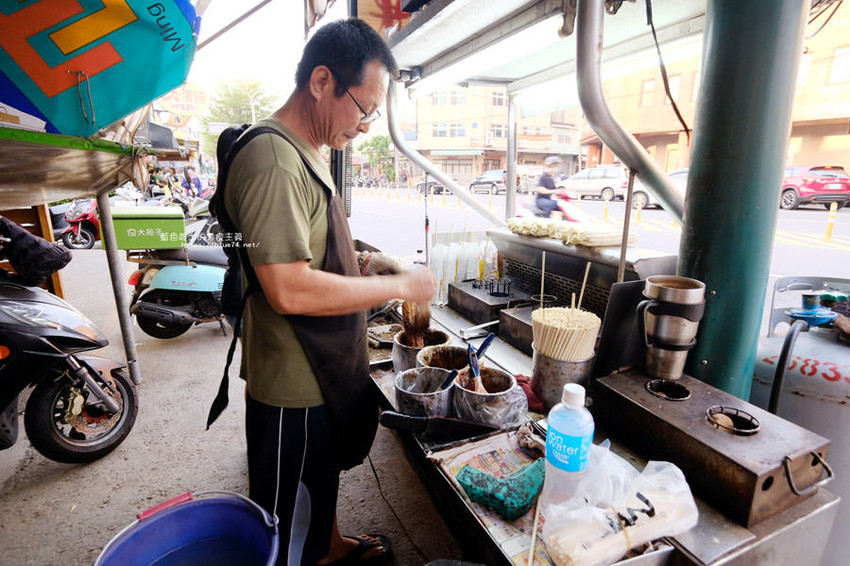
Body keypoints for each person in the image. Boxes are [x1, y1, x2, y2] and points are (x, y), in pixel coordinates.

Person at [218, 19, 435, 566]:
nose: (366, 128)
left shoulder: (306, 151)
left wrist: (368, 263)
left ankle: (330, 546)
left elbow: (309, 250)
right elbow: (288, 288)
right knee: (288, 511)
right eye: (364, 110)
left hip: (320, 364)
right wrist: (399, 286)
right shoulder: (272, 159)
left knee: (320, 475)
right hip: (293, 380)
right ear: (321, 82)